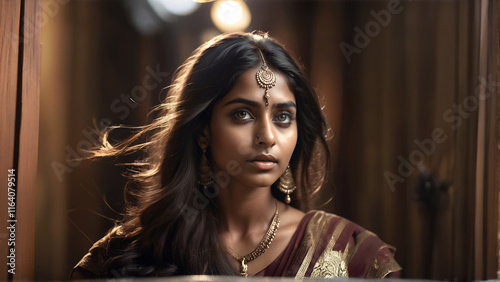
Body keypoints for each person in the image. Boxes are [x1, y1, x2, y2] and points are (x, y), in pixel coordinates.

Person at [70, 31, 401, 279]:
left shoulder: (352, 253)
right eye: (243, 114)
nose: (267, 136)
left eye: (283, 117)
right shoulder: (130, 252)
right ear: (202, 129)